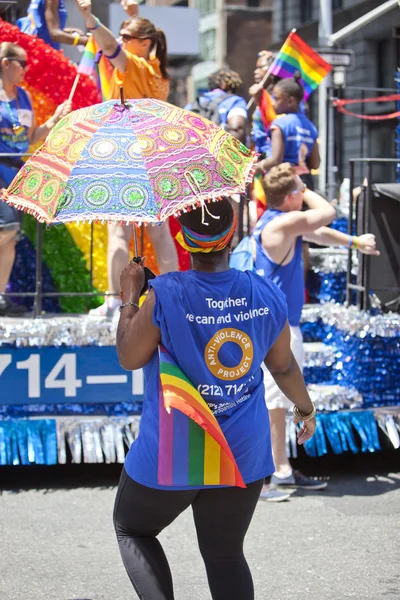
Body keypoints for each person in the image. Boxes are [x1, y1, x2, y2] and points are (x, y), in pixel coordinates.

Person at [114, 196, 317, 600]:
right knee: (225, 555)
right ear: (232, 236)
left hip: (174, 450)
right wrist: (306, 410)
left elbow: (128, 357)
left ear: (185, 241)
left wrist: (129, 298)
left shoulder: (164, 293)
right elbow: (284, 368)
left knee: (133, 529)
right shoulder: (265, 291)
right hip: (242, 451)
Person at [255, 163, 379, 498]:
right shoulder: (281, 221)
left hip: (279, 326)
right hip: (278, 328)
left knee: (280, 400)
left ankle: (282, 468)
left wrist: (354, 241)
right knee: (274, 402)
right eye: (299, 191)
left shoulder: (280, 223)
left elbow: (318, 232)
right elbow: (326, 213)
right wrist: (304, 188)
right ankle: (277, 471)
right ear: (291, 197)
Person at [75, 0, 178, 318]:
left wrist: (90, 19)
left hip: (128, 156)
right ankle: (174, 294)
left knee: (119, 232)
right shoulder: (159, 72)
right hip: (155, 156)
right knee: (160, 233)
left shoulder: (133, 65)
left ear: (143, 43)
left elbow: (108, 45)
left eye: (126, 36)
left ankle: (113, 301)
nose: (119, 40)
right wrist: (134, 18)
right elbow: (134, 40)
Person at [0, 42, 71, 316]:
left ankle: (1, 296)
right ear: (5, 63)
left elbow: (29, 138)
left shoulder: (24, 97)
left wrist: (54, 120)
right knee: (5, 228)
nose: (26, 70)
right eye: (22, 63)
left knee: (11, 235)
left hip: (16, 172)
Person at [256, 74, 320, 183]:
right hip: (305, 183)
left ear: (290, 101)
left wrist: (257, 166)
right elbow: (315, 164)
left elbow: (275, 160)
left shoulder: (279, 125)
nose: (272, 102)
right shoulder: (311, 127)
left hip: (283, 183)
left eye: (276, 98)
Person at [186, 68, 248, 144]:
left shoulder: (195, 103)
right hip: (220, 151)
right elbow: (236, 128)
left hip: (196, 151)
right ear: (224, 85)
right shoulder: (235, 101)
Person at [17, 0, 89, 50]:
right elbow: (54, 34)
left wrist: (68, 32)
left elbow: (41, 28)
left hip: (35, 53)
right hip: (47, 56)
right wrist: (86, 41)